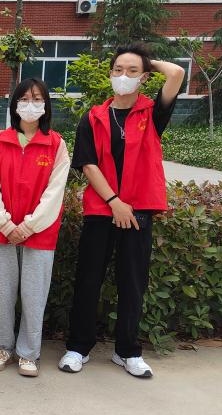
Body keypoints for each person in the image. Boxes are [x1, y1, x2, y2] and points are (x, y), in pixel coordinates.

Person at [60, 43, 185, 379]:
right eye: (118, 70)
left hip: (139, 210)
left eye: (132, 71)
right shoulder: (93, 116)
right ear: (110, 74)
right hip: (102, 209)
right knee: (88, 280)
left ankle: (127, 351)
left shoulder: (153, 113)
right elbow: (87, 164)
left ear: (144, 77)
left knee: (132, 283)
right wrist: (115, 202)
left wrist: (146, 62)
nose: (123, 76)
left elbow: (176, 73)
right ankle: (78, 347)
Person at [0, 78, 70, 377]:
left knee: (34, 295)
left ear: (46, 105)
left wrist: (29, 226)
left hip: (40, 233)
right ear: (15, 104)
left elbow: (55, 192)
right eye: (25, 99)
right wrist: (5, 224)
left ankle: (29, 353)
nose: (31, 105)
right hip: (2, 230)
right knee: (3, 293)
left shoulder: (56, 144)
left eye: (37, 99)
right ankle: (2, 347)